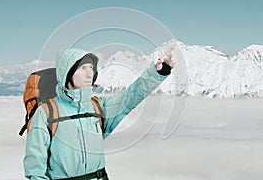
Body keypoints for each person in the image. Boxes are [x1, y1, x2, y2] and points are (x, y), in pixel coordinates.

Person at [24, 46, 176, 180]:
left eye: (91, 68)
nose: (90, 73)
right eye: (83, 68)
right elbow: (35, 167)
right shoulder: (47, 112)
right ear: (68, 73)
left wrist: (158, 73)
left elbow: (130, 96)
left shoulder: (97, 107)